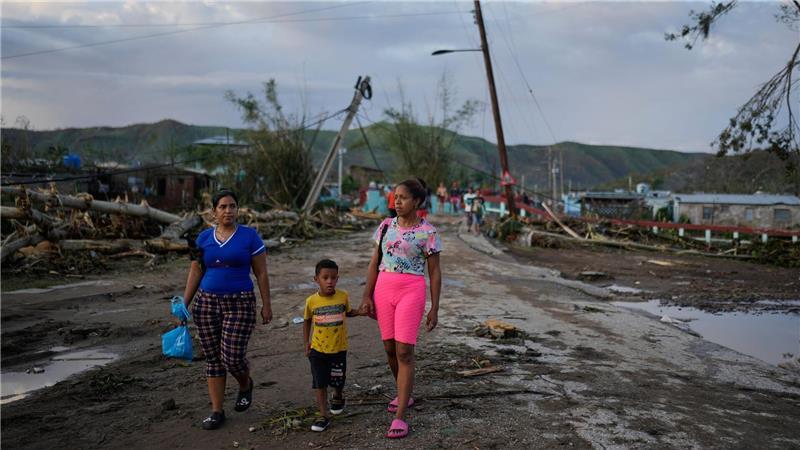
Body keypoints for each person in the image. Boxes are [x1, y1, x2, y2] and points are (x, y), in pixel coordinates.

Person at [181, 189, 272, 430]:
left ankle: (244, 384)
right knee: (213, 359)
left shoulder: (249, 237)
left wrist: (266, 305)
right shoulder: (203, 238)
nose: (228, 211)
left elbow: (261, 272)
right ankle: (216, 410)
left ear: (237, 209)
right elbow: (196, 271)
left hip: (240, 302)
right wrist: (184, 303)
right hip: (206, 303)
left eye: (232, 206)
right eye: (222, 207)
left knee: (231, 357)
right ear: (214, 211)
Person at [360, 177, 442, 439]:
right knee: (389, 348)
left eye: (403, 198)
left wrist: (435, 307)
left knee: (404, 351)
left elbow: (435, 273)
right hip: (384, 290)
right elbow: (374, 263)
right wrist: (367, 296)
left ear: (417, 201)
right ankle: (403, 393)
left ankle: (400, 416)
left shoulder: (428, 232)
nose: (397, 202)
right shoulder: (384, 227)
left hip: (411, 291)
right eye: (395, 197)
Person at [303, 259, 363, 432]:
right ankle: (323, 416)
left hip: (338, 349)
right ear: (316, 279)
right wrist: (306, 343)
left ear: (338, 278)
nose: (329, 281)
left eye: (333, 278)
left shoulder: (343, 296)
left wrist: (361, 311)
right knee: (319, 382)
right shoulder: (311, 301)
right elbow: (307, 321)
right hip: (317, 349)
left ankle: (337, 395)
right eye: (325, 277)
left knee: (338, 379)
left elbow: (348, 312)